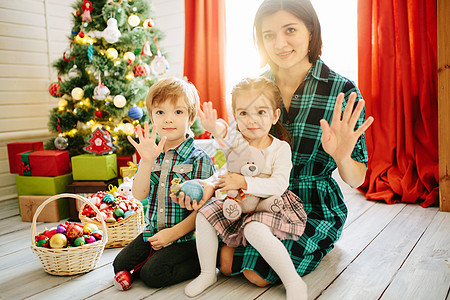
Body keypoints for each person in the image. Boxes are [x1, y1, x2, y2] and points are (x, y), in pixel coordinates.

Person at [174, 0, 374, 298]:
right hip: (256, 199)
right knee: (226, 263)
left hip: (312, 205)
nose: (279, 43)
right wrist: (209, 184)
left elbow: (357, 179)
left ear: (310, 31)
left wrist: (342, 155)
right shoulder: (256, 86)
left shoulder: (340, 90)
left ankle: (319, 244)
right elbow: (240, 155)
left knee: (254, 272)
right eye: (268, 35)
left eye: (290, 29)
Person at [182, 77, 308, 299]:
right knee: (204, 215)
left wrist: (244, 182)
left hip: (270, 204)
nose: (252, 121)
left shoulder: (280, 148)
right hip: (237, 202)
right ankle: (207, 273)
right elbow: (222, 131)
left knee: (254, 229)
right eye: (243, 114)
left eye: (261, 112)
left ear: (275, 116)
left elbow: (279, 184)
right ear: (235, 116)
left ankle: (293, 281)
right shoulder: (238, 141)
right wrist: (214, 126)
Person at [112, 77, 216, 288]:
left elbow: (207, 209)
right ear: (151, 117)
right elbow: (140, 194)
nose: (169, 119)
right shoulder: (152, 155)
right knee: (119, 265)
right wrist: (147, 161)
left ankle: (204, 261)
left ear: (191, 116)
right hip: (154, 233)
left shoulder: (198, 158)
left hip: (187, 238)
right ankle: (153, 259)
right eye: (160, 112)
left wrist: (173, 233)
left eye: (178, 112)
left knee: (153, 275)